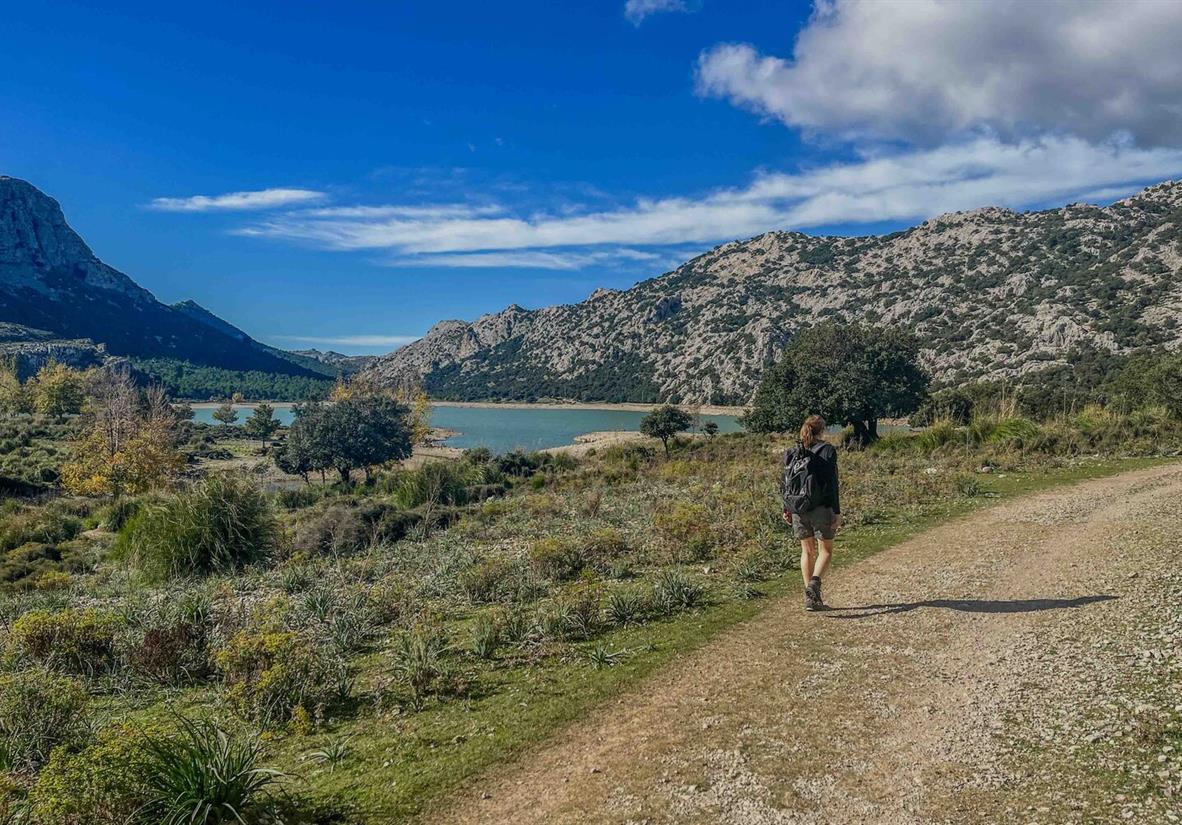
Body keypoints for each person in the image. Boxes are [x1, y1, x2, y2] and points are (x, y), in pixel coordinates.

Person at [782, 414, 841, 611]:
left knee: (807, 551)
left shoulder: (792, 451)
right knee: (826, 550)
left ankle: (810, 598)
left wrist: (787, 508)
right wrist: (836, 511)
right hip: (821, 507)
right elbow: (832, 484)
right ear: (822, 430)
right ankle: (814, 585)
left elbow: (786, 483)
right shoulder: (827, 450)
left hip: (798, 507)